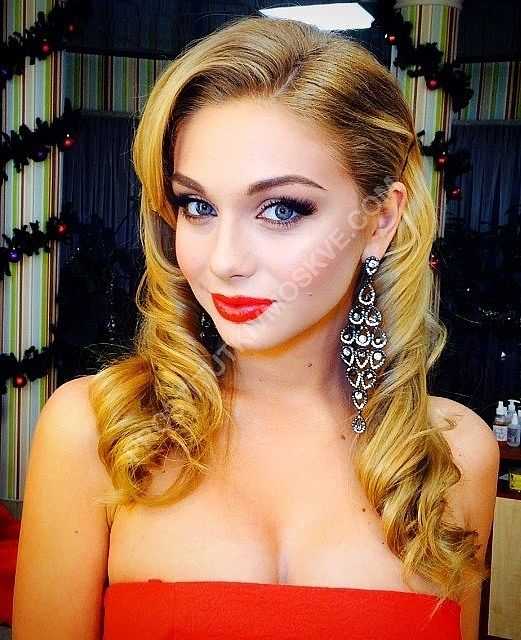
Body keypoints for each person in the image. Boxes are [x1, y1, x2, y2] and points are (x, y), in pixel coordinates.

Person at [12, 14, 499, 640]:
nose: (225, 260)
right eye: (198, 206)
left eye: (281, 209)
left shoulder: (453, 454)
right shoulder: (96, 432)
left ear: (378, 220)